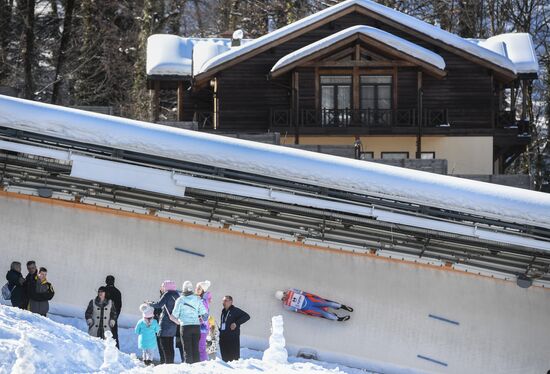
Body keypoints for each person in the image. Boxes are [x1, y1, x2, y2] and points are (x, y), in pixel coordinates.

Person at [169, 281, 208, 364]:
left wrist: (177, 321)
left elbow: (174, 315)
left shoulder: (180, 300)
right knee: (195, 349)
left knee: (187, 350)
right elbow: (205, 315)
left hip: (185, 327)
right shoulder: (197, 299)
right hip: (196, 327)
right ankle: (197, 369)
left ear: (183, 289)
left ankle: (189, 369)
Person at [148, 280, 180, 364]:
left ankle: (166, 365)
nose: (162, 288)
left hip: (165, 323)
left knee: (164, 346)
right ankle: (170, 364)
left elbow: (159, 304)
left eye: (163, 286)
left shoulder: (167, 294)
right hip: (173, 324)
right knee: (170, 346)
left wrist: (150, 303)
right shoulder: (177, 295)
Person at [275, 289, 353, 321]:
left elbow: (303, 293)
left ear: (284, 293)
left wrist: (312, 296)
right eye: (283, 298)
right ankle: (338, 318)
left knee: (327, 303)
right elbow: (297, 310)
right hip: (308, 308)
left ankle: (342, 306)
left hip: (311, 301)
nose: (284, 298)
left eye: (284, 295)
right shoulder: (286, 306)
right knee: (323, 313)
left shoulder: (291, 290)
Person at [219, 295, 250, 362]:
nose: (223, 302)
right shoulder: (223, 312)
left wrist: (236, 323)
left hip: (232, 338)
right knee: (225, 359)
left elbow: (247, 316)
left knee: (233, 359)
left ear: (231, 302)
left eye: (225, 301)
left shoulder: (235, 310)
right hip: (223, 338)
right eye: (223, 301)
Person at [104, 275, 122, 348]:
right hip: (113, 316)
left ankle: (101, 348)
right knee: (114, 334)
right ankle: (116, 348)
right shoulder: (118, 292)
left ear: (106, 281)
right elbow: (119, 306)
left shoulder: (103, 290)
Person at [196, 280, 211, 361]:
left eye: (199, 288)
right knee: (200, 347)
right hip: (201, 327)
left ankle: (203, 363)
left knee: (201, 347)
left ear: (203, 290)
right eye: (197, 287)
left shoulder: (203, 301)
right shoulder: (201, 299)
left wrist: (197, 319)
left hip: (202, 328)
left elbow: (204, 316)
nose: (197, 289)